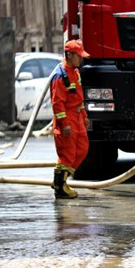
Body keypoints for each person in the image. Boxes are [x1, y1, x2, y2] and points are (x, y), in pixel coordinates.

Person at [50, 39, 90, 199]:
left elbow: (78, 97)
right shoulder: (61, 77)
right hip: (66, 119)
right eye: (78, 56)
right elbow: (57, 103)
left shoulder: (75, 73)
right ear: (69, 55)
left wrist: (84, 115)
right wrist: (64, 123)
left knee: (82, 148)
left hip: (77, 117)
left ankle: (61, 180)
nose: (81, 59)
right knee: (67, 153)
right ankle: (60, 185)